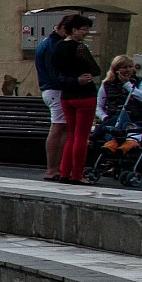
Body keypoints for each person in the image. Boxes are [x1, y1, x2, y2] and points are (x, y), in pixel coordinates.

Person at [35, 14, 101, 182]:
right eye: (84, 29)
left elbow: (56, 71)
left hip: (64, 95)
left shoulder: (54, 46)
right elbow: (95, 69)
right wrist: (77, 79)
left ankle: (63, 171)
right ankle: (70, 173)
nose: (87, 33)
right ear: (73, 30)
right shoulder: (78, 47)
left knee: (70, 134)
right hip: (76, 93)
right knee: (75, 134)